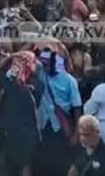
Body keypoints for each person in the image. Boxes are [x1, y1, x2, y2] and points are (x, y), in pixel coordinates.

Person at [36, 48, 82, 176]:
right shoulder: (40, 75)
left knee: (60, 166)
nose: (44, 66)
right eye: (42, 62)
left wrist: (76, 134)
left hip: (61, 128)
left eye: (47, 64)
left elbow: (77, 108)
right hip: (43, 127)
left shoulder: (69, 80)